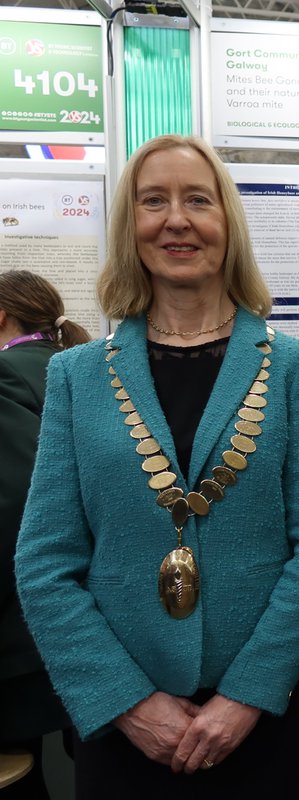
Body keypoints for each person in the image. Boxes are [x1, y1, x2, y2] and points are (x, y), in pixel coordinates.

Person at [15, 134, 299, 797]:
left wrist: (248, 695)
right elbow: (44, 561)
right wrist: (128, 703)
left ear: (228, 222)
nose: (177, 219)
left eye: (198, 199)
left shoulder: (294, 368)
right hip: (130, 724)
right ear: (130, 225)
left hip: (274, 714)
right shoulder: (75, 377)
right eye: (153, 201)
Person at [0, 271, 89, 799]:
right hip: (91, 615)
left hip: (25, 631)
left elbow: (12, 506)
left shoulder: (6, 375)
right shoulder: (78, 365)